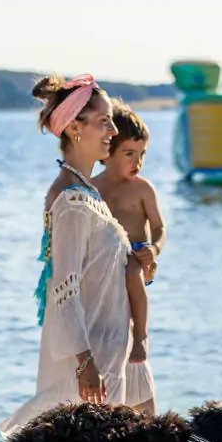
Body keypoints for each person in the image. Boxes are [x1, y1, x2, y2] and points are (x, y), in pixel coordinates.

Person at [2, 74, 153, 442]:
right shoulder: (69, 197)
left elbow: (91, 272)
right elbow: (62, 288)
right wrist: (85, 361)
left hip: (114, 347)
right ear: (76, 128)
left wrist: (134, 262)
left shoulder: (85, 189)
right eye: (104, 119)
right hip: (92, 355)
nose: (113, 128)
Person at [93, 103, 165, 416]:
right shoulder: (93, 189)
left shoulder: (143, 189)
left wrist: (155, 249)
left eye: (142, 154)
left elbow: (160, 228)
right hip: (106, 262)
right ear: (108, 151)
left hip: (135, 254)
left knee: (132, 275)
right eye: (129, 154)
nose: (138, 162)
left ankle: (141, 338)